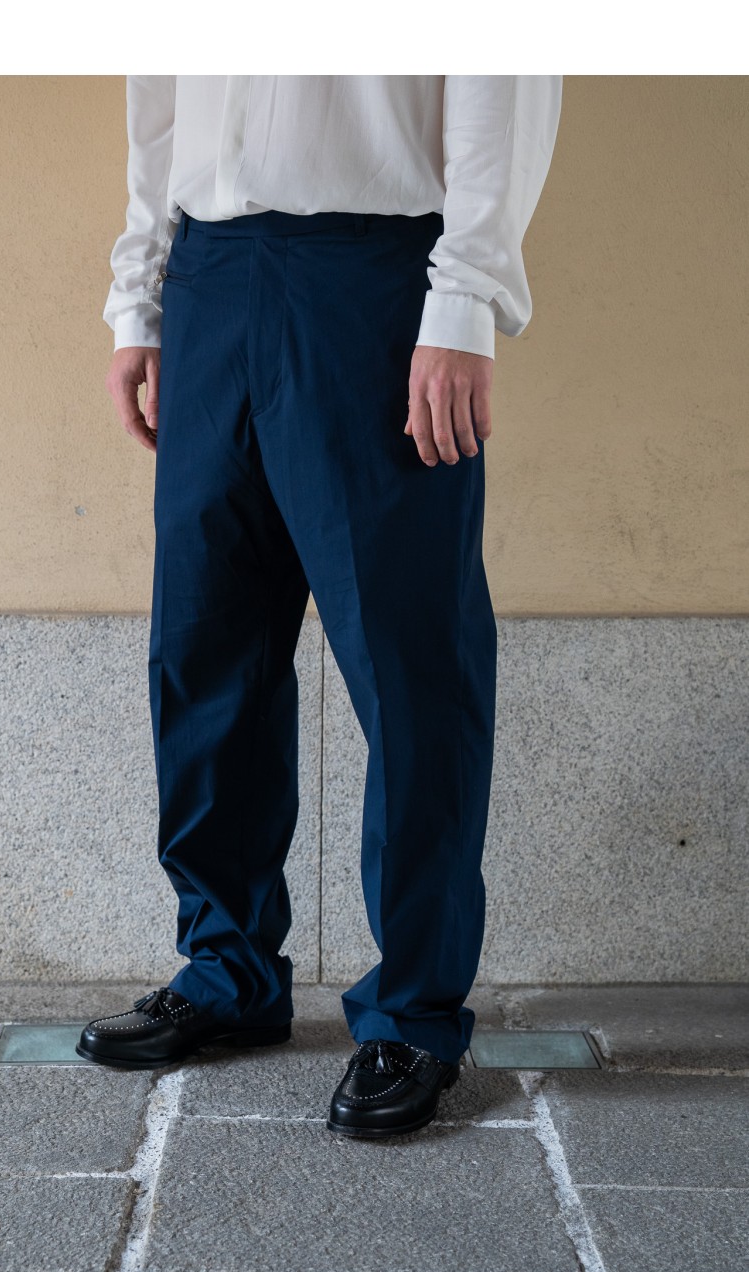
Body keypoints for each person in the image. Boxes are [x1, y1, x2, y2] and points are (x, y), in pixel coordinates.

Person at [77, 75, 563, 1139]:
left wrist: (466, 296)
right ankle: (229, 966)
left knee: (410, 662)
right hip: (209, 272)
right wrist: (141, 296)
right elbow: (160, 89)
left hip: (376, 277)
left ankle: (415, 1013)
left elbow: (504, 61)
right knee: (205, 644)